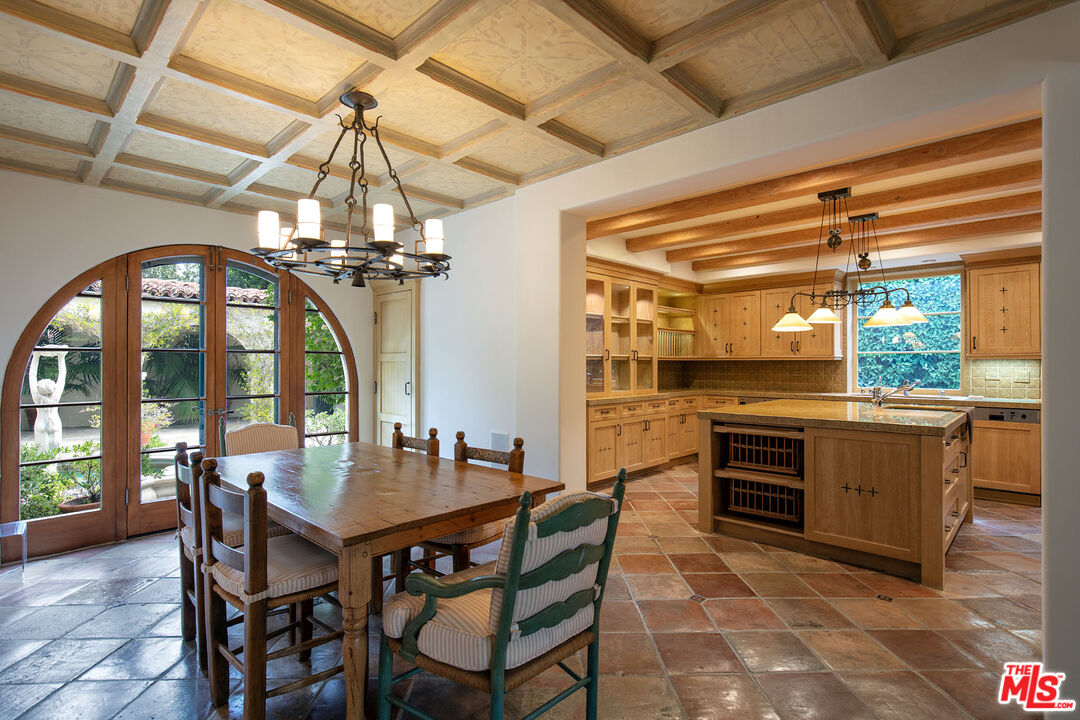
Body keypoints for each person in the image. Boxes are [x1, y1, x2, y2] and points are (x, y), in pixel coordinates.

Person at [28, 347, 67, 451]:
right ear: (53, 388)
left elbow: (32, 375)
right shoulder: (55, 396)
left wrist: (35, 357)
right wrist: (61, 357)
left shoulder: (37, 396)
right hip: (55, 424)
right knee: (55, 456)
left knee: (42, 458)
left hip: (41, 424)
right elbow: (62, 375)